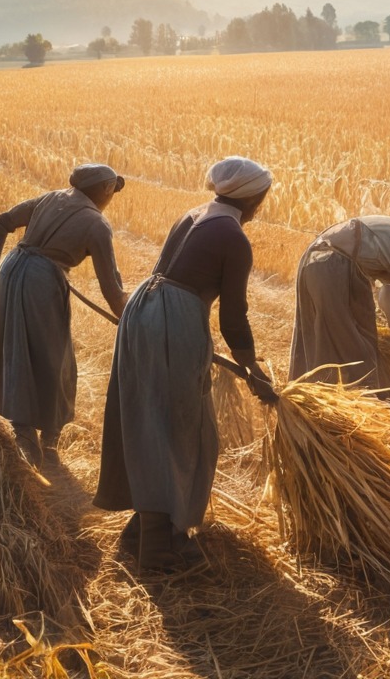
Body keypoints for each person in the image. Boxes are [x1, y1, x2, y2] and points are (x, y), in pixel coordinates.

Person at [93, 156, 276, 572]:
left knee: (149, 421)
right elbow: (233, 316)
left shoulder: (195, 214)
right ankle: (158, 550)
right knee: (179, 430)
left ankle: (146, 530)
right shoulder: (233, 237)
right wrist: (253, 370)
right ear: (255, 198)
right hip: (172, 321)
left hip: (144, 309)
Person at [0, 163, 128, 469]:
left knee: (17, 347)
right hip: (41, 281)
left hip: (11, 270)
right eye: (112, 191)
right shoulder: (97, 224)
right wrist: (133, 320)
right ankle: (41, 439)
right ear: (105, 190)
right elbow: (112, 290)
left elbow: (3, 221)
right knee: (55, 358)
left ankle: (28, 432)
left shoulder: (51, 198)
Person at [288, 210, 390, 389]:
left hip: (312, 262)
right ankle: (365, 396)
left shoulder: (389, 227)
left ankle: (319, 391)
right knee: (356, 342)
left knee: (322, 334)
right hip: (333, 267)